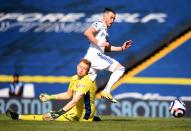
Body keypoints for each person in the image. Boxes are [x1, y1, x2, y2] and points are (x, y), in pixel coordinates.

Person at [6, 59, 101, 122]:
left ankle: (92, 118)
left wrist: (59, 113)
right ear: (77, 66)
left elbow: (74, 101)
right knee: (47, 116)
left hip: (86, 113)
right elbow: (68, 95)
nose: (81, 70)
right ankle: (18, 116)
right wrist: (49, 97)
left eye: (84, 69)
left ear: (87, 72)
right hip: (76, 110)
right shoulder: (74, 78)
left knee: (51, 117)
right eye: (80, 66)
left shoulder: (86, 81)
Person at [83, 8, 132, 102]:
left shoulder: (105, 31)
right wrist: (98, 43)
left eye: (114, 18)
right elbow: (87, 33)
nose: (112, 20)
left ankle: (66, 113)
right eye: (111, 18)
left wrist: (121, 48)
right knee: (120, 68)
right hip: (95, 56)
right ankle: (106, 91)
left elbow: (105, 48)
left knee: (84, 89)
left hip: (91, 58)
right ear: (105, 16)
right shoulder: (99, 24)